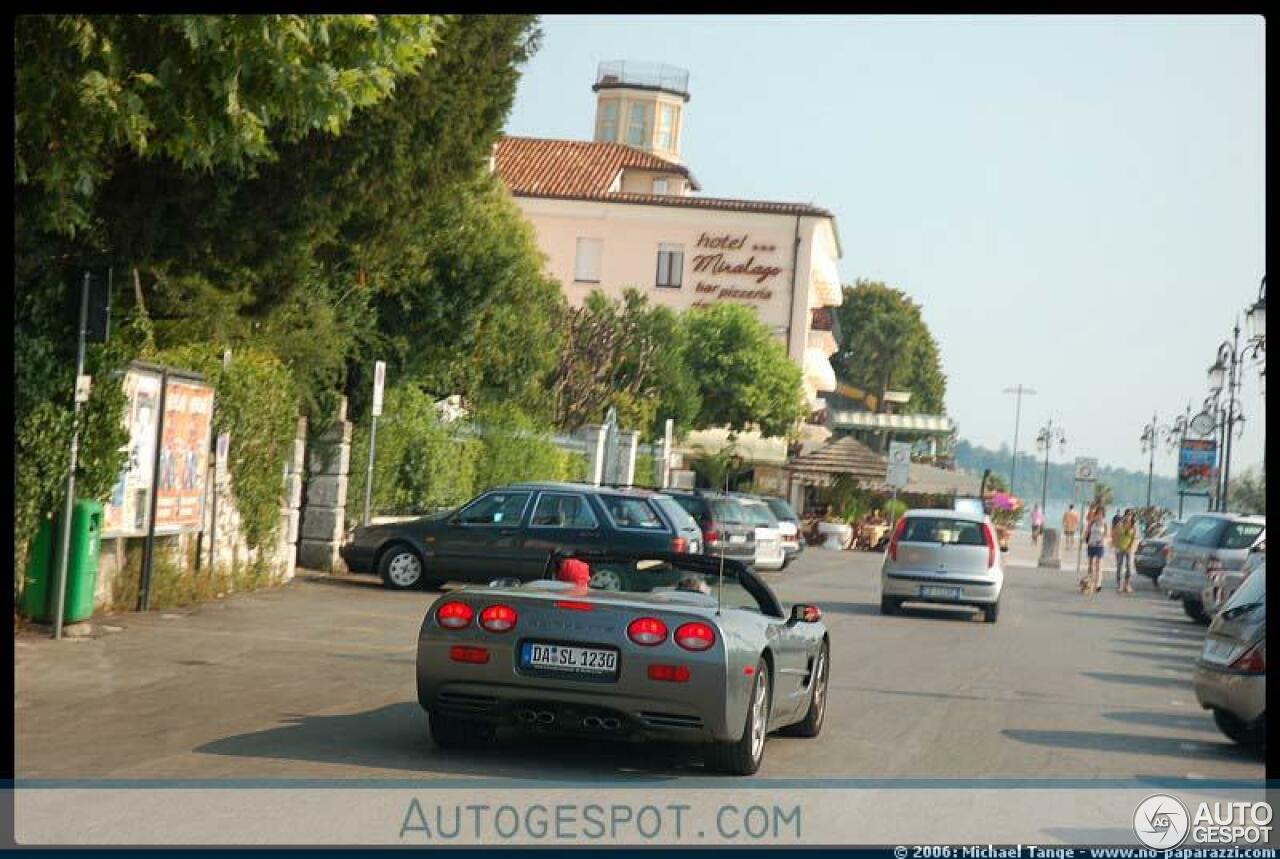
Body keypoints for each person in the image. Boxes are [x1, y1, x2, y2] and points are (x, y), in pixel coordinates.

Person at [1082, 506, 1108, 594]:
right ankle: (1090, 581)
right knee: (1090, 564)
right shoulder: (1092, 522)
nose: (1099, 515)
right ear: (1096, 513)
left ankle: (1098, 583)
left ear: (1103, 515)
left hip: (1099, 545)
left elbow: (1106, 535)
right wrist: (1085, 539)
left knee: (1098, 564)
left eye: (1101, 513)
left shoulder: (1105, 523)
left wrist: (1102, 541)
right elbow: (1087, 532)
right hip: (1091, 544)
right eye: (1098, 513)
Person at [1113, 511, 1138, 593]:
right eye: (1127, 515)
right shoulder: (1120, 525)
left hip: (1128, 549)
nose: (1128, 517)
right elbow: (1115, 535)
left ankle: (1127, 584)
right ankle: (1119, 584)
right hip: (1120, 548)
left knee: (1129, 567)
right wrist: (1115, 545)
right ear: (1125, 515)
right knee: (1119, 567)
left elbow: (1134, 538)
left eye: (1130, 515)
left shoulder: (1133, 526)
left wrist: (1130, 547)